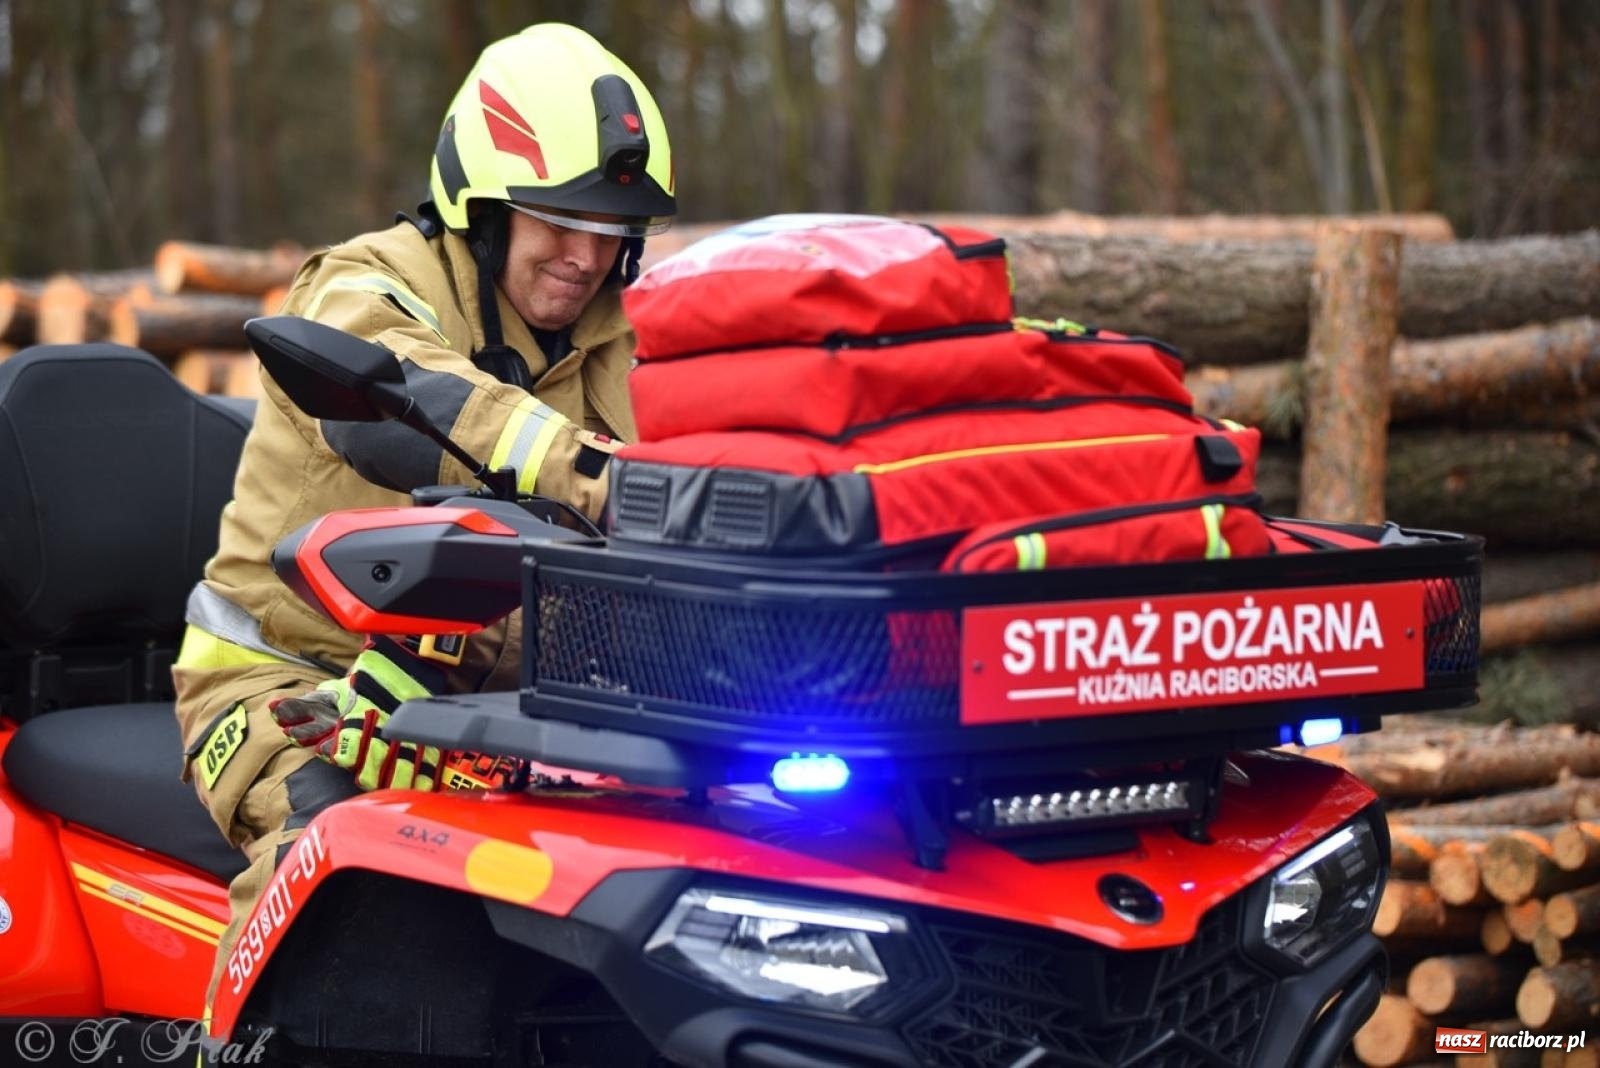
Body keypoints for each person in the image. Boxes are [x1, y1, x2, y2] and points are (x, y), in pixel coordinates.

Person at [170, 22, 675, 1005]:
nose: (585, 255)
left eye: (610, 230)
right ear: (480, 206)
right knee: (351, 846)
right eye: (555, 220)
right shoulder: (358, 288)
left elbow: (728, 430)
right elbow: (433, 396)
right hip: (294, 683)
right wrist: (616, 482)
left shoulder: (626, 327)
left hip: (517, 701)